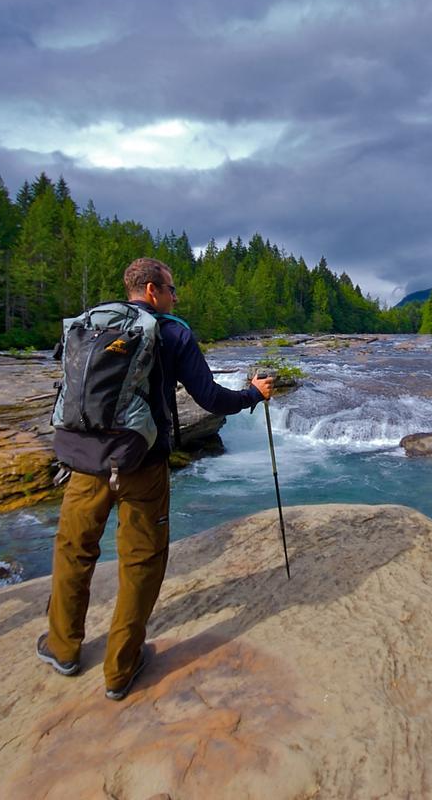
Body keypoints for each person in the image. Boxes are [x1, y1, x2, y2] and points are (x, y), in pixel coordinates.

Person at [38, 257, 274, 700]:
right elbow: (211, 398)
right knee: (141, 560)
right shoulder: (173, 332)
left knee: (73, 552)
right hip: (140, 463)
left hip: (84, 462)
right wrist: (252, 395)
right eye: (170, 288)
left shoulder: (91, 325)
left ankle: (62, 648)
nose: (175, 296)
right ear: (151, 290)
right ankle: (120, 668)